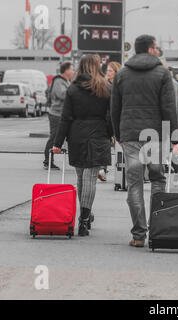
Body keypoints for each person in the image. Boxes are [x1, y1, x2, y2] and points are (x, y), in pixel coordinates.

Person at [111, 35, 178, 248]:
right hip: (156, 136)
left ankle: (139, 234)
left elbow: (114, 108)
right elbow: (169, 108)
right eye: (156, 47)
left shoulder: (122, 74)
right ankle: (157, 229)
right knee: (158, 179)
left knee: (134, 184)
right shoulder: (162, 73)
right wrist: (175, 137)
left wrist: (119, 135)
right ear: (150, 49)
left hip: (130, 135)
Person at [53, 54, 114, 237]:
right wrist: (111, 134)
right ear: (97, 67)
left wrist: (57, 142)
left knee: (81, 177)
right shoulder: (106, 87)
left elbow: (65, 118)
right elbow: (111, 115)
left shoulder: (73, 89)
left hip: (77, 134)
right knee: (90, 178)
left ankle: (85, 214)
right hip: (98, 134)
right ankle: (85, 218)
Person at [43, 62, 74, 170]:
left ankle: (49, 160)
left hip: (62, 114)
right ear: (66, 70)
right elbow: (62, 95)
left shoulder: (65, 81)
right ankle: (48, 161)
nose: (73, 71)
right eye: (71, 69)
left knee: (58, 137)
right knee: (54, 137)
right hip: (56, 114)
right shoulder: (58, 81)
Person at [96, 61, 122, 182]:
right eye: (107, 71)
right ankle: (102, 168)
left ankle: (121, 171)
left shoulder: (120, 85)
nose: (108, 73)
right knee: (106, 144)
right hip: (107, 118)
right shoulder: (105, 85)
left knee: (119, 146)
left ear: (116, 72)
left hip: (119, 119)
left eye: (110, 71)